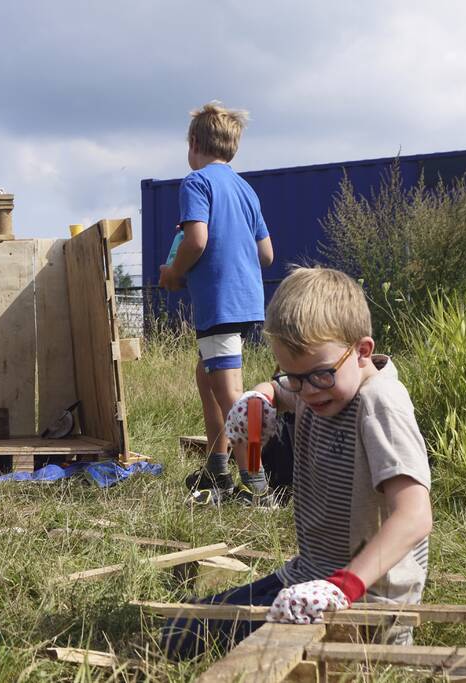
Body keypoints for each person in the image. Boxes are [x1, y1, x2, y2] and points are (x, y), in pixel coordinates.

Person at [160, 267, 433, 659]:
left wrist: (345, 586)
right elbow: (281, 389)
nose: (306, 391)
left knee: (206, 647)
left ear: (362, 350)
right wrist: (258, 397)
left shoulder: (380, 405)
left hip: (366, 599)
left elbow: (414, 516)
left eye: (319, 376)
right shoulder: (320, 384)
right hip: (308, 575)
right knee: (179, 632)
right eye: (295, 375)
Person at [158, 101, 275, 505]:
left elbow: (197, 240)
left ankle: (257, 484)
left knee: (231, 394)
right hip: (246, 300)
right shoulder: (245, 189)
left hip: (219, 303)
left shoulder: (196, 183)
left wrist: (174, 273)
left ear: (194, 144)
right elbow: (267, 255)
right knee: (206, 377)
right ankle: (217, 467)